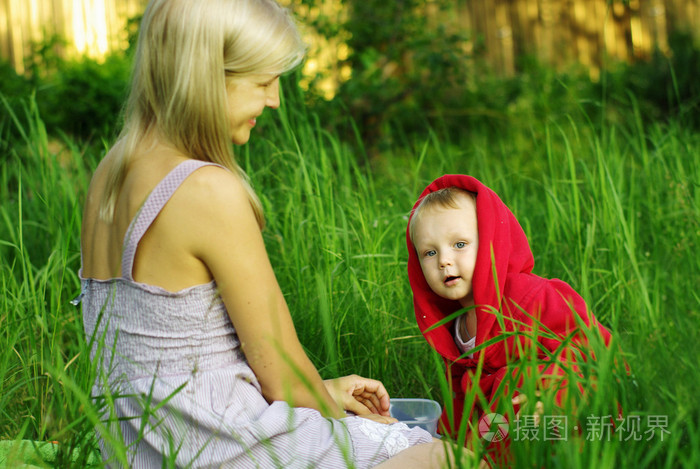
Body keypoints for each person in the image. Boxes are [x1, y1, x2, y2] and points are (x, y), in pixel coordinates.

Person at [77, 0, 469, 467]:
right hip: (215, 448)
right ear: (204, 76)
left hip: (138, 449)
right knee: (457, 459)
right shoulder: (205, 189)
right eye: (262, 82)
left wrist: (322, 388)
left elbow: (165, 360)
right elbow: (281, 376)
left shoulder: (111, 170)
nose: (274, 99)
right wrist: (365, 430)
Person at [406, 174, 613, 461]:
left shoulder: (531, 298)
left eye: (460, 244)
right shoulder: (454, 324)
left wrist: (556, 390)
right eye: (429, 252)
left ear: (492, 243)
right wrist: (451, 437)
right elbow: (460, 395)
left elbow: (589, 350)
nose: (444, 260)